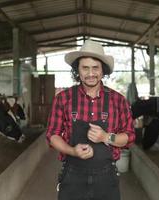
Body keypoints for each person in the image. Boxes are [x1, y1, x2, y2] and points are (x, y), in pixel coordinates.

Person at [46, 40, 135, 200]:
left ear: (103, 70)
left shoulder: (118, 100)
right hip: (72, 175)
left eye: (95, 68)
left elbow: (129, 137)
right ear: (77, 70)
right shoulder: (63, 98)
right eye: (85, 68)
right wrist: (72, 151)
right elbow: (52, 135)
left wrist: (106, 137)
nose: (90, 73)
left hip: (106, 177)